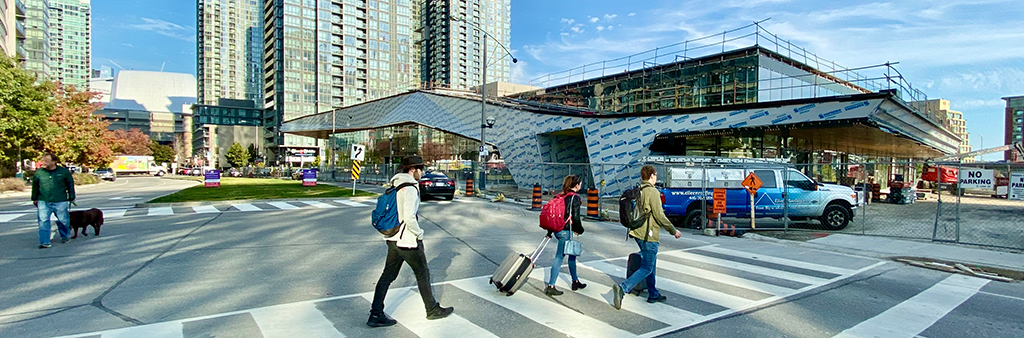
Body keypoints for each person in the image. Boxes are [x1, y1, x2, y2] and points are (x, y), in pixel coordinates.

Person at [368, 155, 453, 327]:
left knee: (387, 276)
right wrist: (419, 233)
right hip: (407, 240)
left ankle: (375, 314)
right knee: (422, 274)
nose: (423, 173)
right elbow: (408, 216)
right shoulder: (411, 187)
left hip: (393, 238)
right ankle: (432, 310)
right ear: (412, 170)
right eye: (421, 169)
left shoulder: (396, 183)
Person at [612, 165, 681, 309]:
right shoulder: (652, 192)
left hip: (637, 232)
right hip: (648, 234)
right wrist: (673, 230)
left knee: (650, 263)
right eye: (655, 175)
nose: (656, 177)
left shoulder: (638, 190)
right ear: (651, 176)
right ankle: (623, 288)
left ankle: (653, 292)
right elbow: (659, 215)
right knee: (647, 266)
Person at [545, 175, 587, 296]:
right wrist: (580, 229)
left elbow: (552, 216)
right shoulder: (575, 198)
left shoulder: (560, 196)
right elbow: (576, 217)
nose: (581, 185)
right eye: (580, 184)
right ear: (576, 185)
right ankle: (551, 285)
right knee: (559, 257)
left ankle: (575, 281)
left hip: (558, 230)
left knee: (572, 255)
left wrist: (549, 232)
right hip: (566, 231)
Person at [31, 152, 76, 249]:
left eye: (47, 160)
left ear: (54, 161)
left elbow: (70, 184)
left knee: (63, 220)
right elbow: (35, 186)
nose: (44, 162)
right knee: (43, 221)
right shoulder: (39, 173)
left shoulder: (63, 172)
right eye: (44, 160)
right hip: (43, 200)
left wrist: (71, 196)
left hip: (60, 199)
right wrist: (34, 198)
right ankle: (45, 242)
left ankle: (65, 235)